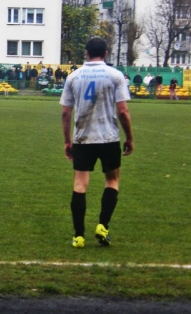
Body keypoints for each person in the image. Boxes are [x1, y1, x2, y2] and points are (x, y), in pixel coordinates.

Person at [60, 37, 133, 249]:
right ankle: (103, 226)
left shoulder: (74, 77)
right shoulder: (115, 75)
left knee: (80, 184)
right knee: (112, 181)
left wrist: (67, 141)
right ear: (106, 53)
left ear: (86, 53)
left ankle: (78, 236)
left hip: (83, 138)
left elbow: (65, 113)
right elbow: (123, 111)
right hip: (109, 137)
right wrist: (129, 137)